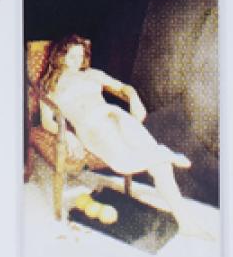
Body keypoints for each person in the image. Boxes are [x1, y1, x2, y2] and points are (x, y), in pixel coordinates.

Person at [35, 36, 196, 223]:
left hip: (115, 115)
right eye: (71, 56)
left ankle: (185, 221)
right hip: (91, 126)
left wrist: (135, 98)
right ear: (59, 56)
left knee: (161, 167)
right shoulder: (49, 86)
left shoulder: (92, 74)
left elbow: (123, 87)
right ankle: (165, 153)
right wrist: (67, 135)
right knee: (125, 164)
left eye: (80, 56)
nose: (77, 61)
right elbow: (47, 121)